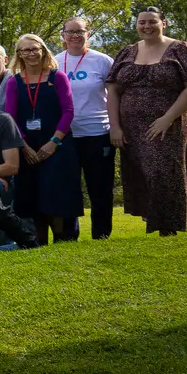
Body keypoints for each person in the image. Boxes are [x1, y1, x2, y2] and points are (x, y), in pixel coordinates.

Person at [106, 7, 187, 236]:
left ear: (164, 23)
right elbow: (113, 90)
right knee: (144, 174)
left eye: (152, 22)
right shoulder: (127, 53)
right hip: (132, 128)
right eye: (142, 22)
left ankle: (168, 228)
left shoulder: (180, 49)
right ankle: (157, 222)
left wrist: (167, 119)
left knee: (164, 173)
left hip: (171, 124)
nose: (147, 26)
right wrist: (115, 126)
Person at [3, 33, 78, 245]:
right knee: (33, 195)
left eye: (35, 48)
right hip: (28, 147)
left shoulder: (57, 77)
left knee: (57, 192)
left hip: (57, 144)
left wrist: (54, 142)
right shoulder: (14, 82)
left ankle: (64, 240)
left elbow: (69, 111)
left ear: (43, 50)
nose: (31, 53)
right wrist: (23, 146)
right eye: (25, 50)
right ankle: (40, 243)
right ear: (19, 54)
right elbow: (11, 117)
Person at [54, 17, 119, 239]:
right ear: (62, 35)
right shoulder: (54, 62)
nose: (74, 36)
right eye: (69, 31)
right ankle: (68, 236)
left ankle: (101, 235)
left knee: (100, 189)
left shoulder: (102, 61)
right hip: (65, 135)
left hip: (97, 133)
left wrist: (116, 128)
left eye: (79, 31)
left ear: (88, 34)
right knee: (67, 188)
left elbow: (115, 96)